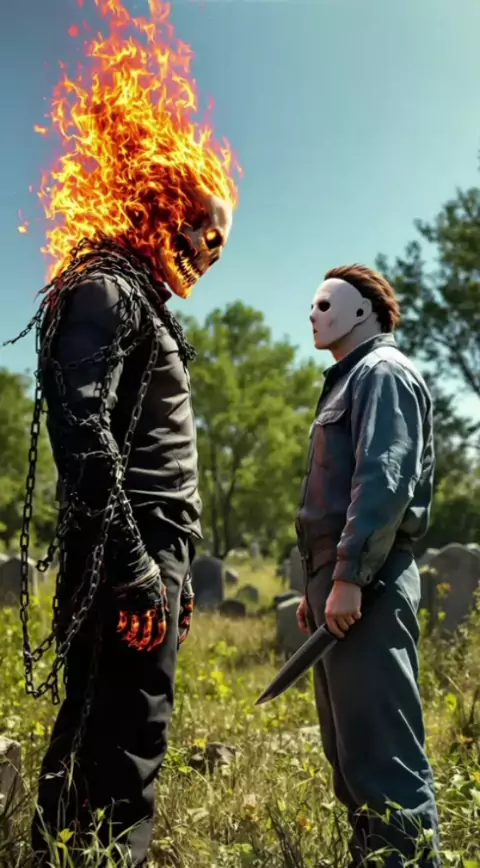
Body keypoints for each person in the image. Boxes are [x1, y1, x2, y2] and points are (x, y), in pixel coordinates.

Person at [5, 4, 239, 865]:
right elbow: (84, 433)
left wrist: (171, 572)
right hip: (125, 545)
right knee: (121, 733)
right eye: (208, 229)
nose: (213, 250)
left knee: (120, 722)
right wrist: (138, 570)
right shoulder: (107, 288)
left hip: (150, 546)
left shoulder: (138, 296)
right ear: (165, 208)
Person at [295, 264, 441, 867]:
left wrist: (349, 577)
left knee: (384, 761)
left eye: (326, 303)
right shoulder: (347, 380)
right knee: (351, 760)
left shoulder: (383, 372)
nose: (313, 313)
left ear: (363, 311)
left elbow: (385, 481)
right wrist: (319, 583)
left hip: (371, 583)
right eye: (313, 305)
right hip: (340, 581)